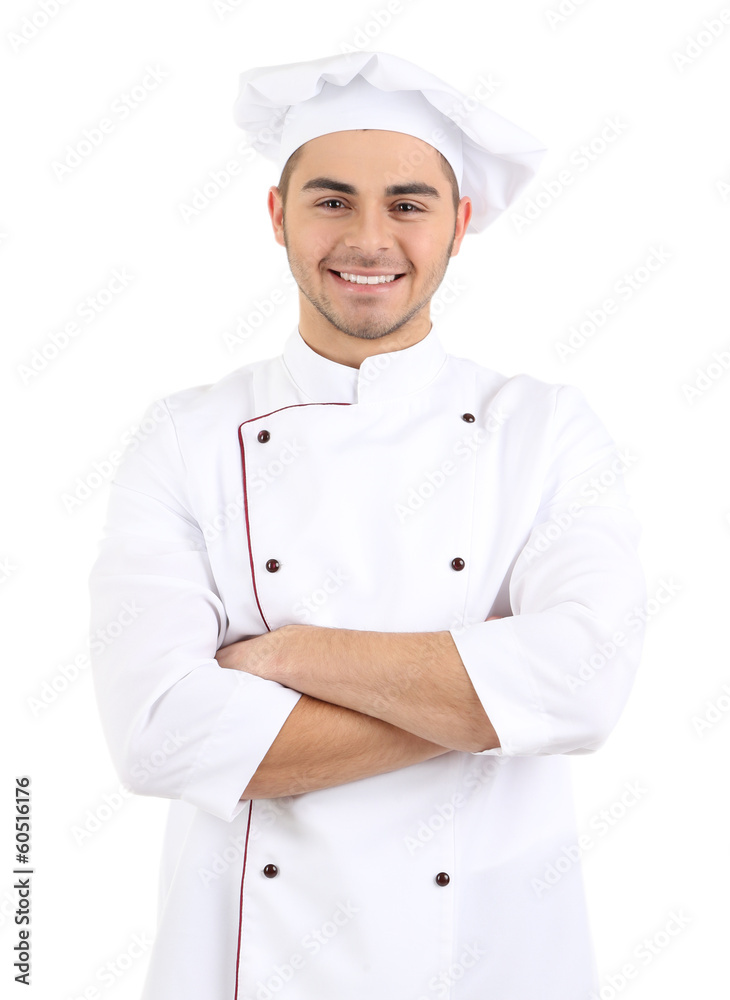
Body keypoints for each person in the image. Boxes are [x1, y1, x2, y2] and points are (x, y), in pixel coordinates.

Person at [89, 50, 646, 1000]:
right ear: (278, 216)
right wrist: (496, 698)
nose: (369, 238)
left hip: (488, 960)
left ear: (458, 225)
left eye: (408, 203)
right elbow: (159, 737)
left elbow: (584, 688)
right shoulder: (186, 436)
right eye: (332, 200)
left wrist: (290, 652)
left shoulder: (545, 428)